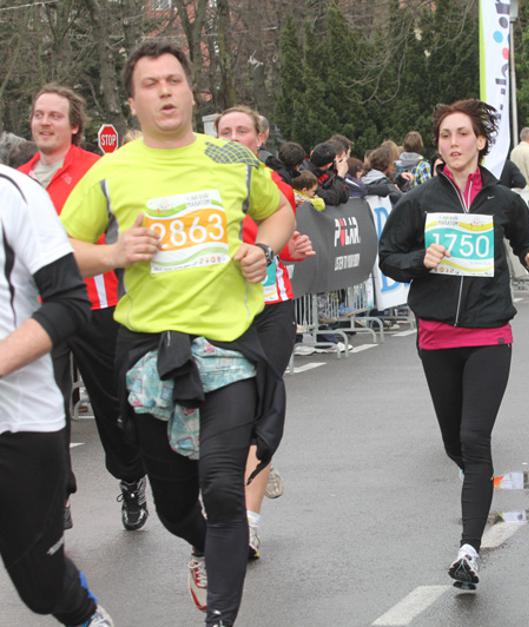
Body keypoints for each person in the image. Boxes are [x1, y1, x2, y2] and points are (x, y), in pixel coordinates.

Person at [60, 40, 295, 627]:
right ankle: (200, 544)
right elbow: (61, 248)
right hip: (150, 353)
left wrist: (263, 250)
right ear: (132, 102)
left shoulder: (230, 157)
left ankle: (220, 617)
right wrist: (114, 253)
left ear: (192, 92)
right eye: (150, 84)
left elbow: (278, 212)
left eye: (173, 80)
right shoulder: (111, 171)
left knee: (222, 487)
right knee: (173, 504)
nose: (164, 91)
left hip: (230, 345)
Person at [378, 98, 529, 591]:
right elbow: (388, 256)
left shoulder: (504, 201)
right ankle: (476, 484)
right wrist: (421, 261)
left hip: (489, 333)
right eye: (445, 135)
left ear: (480, 141)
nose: (453, 143)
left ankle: (468, 551)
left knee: (475, 439)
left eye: (462, 134)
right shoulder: (418, 201)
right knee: (455, 443)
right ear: (438, 145)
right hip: (437, 336)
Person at [18, 83, 149, 532]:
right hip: (41, 311)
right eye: (39, 114)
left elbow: (123, 236)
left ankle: (130, 475)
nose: (44, 122)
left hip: (97, 305)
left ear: (74, 126)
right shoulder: (18, 179)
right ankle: (56, 497)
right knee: (47, 407)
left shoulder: (98, 170)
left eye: (54, 115)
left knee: (113, 406)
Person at [1, 163, 113, 626]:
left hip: (19, 422)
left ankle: (85, 615)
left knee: (41, 587)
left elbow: (69, 303)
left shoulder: (15, 193)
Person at [215, 105, 315, 561]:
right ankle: (244, 475)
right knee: (225, 413)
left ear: (260, 138)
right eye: (225, 131)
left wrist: (292, 249)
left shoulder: (275, 184)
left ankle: (249, 525)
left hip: (271, 307)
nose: (234, 138)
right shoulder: (200, 184)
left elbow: (279, 240)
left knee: (261, 410)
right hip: (219, 310)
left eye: (243, 131)